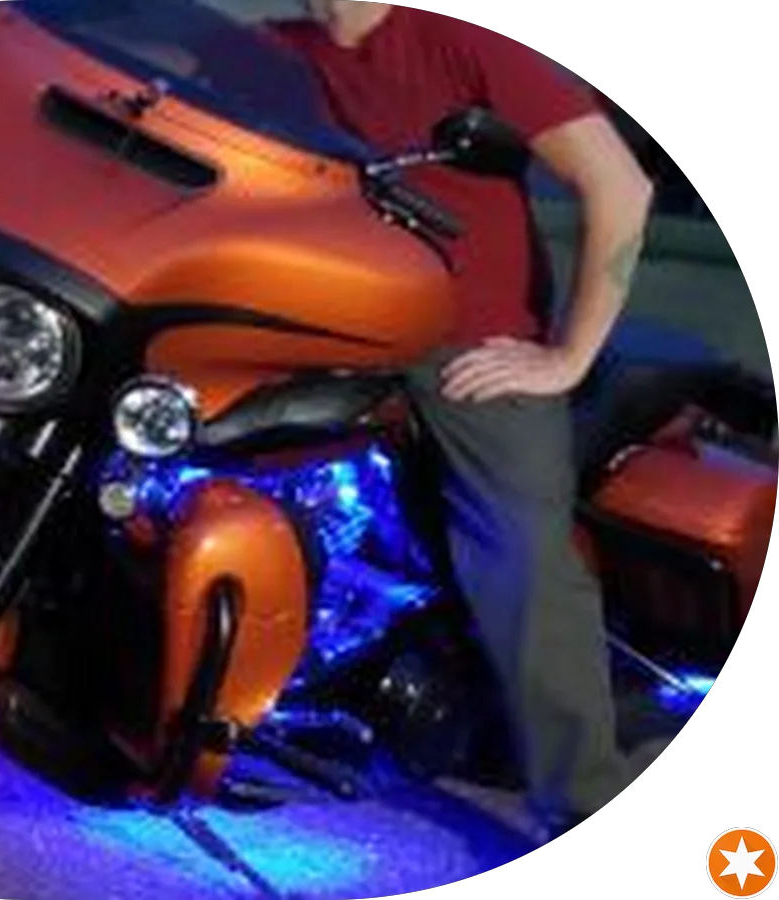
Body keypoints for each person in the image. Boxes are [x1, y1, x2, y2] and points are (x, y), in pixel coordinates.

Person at [268, 2, 656, 838]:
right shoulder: (275, 49)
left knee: (519, 549)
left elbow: (621, 187)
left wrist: (568, 354)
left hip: (470, 338)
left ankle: (581, 798)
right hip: (327, 314)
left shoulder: (463, 40)